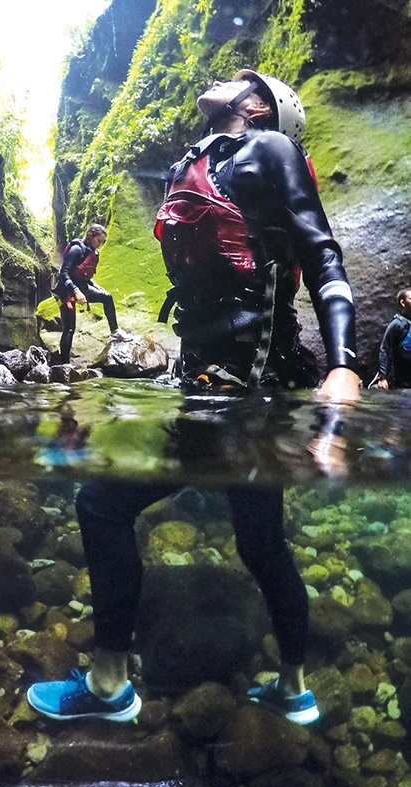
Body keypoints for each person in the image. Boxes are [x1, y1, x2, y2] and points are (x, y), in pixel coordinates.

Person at [28, 70, 359, 725]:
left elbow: (322, 255)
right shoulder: (197, 160)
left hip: (249, 387)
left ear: (259, 105)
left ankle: (108, 685)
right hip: (209, 385)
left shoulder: (270, 149)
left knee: (101, 502)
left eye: (241, 79)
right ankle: (293, 688)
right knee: (261, 545)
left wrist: (345, 364)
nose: (223, 79)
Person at [52, 224, 132, 363]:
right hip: (65, 291)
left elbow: (85, 275)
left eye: (102, 242)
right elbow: (63, 273)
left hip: (82, 286)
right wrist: (76, 291)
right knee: (70, 328)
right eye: (98, 241)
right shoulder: (76, 249)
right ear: (90, 237)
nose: (99, 245)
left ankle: (115, 332)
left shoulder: (93, 252)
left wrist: (94, 286)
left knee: (107, 297)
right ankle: (64, 364)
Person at [376, 288, 411, 389]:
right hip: (402, 380)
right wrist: (383, 378)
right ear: (403, 303)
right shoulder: (397, 324)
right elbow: (384, 349)